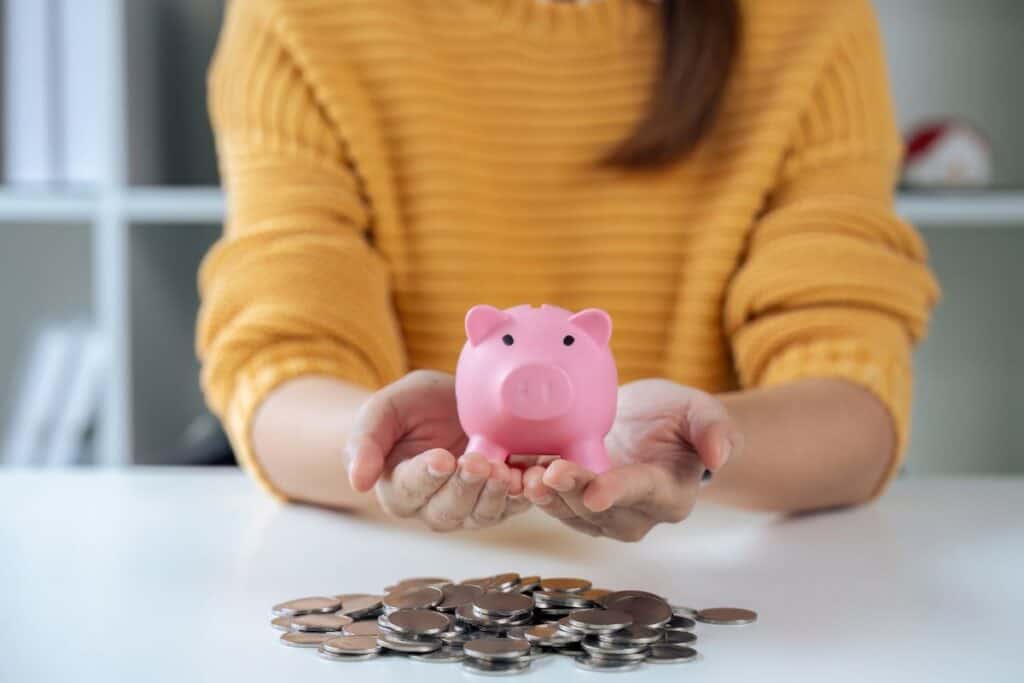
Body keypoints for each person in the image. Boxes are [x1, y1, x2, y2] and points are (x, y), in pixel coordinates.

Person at [197, 0, 939, 541]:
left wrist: (701, 449)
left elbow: (857, 397)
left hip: (707, 559)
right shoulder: (300, 17)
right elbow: (280, 360)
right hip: (398, 559)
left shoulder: (810, 20)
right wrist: (374, 446)